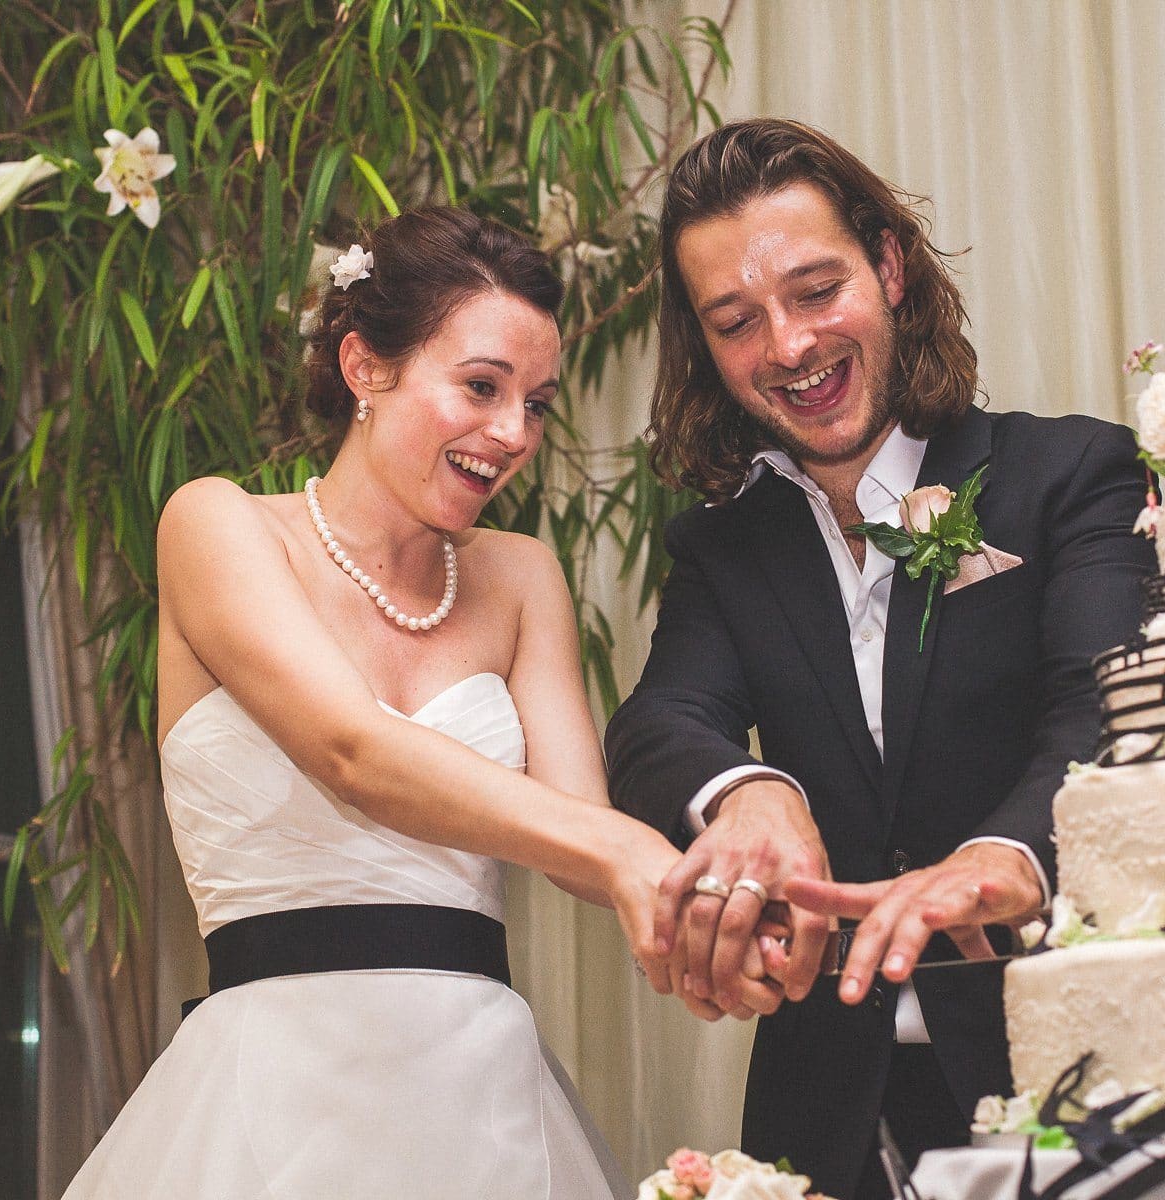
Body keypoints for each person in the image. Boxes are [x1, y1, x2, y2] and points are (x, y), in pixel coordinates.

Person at [63, 206, 768, 1199]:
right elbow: (353, 753)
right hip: (266, 1098)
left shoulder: (522, 578)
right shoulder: (218, 526)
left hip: (481, 1109)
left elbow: (580, 836)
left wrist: (715, 905)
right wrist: (624, 858)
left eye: (536, 403)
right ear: (364, 367)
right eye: (481, 387)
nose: (513, 433)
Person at [605, 119, 1156, 1200]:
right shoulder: (722, 544)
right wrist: (750, 794)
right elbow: (658, 725)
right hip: (825, 1116)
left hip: (1068, 1077)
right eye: (737, 320)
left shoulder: (1072, 473)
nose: (790, 346)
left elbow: (1110, 705)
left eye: (817, 291)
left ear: (890, 267)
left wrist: (1006, 857)